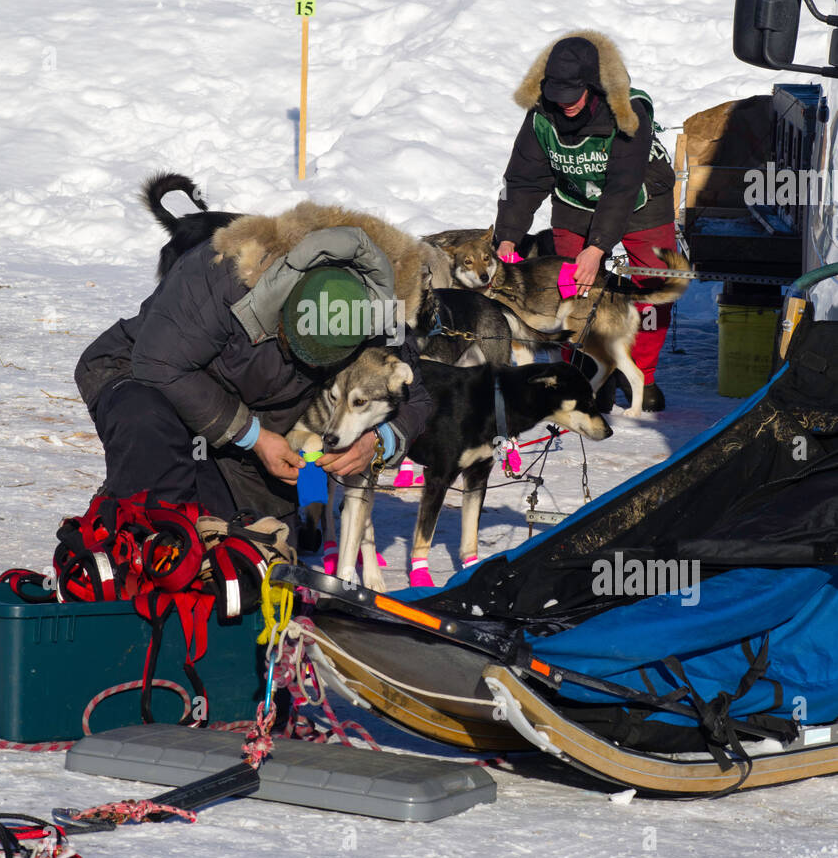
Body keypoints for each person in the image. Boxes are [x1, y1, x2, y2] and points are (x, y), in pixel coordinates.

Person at [74, 210, 432, 540]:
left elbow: (417, 397)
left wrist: (378, 441)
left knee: (249, 548)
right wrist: (255, 437)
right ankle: (132, 527)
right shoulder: (224, 272)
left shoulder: (376, 308)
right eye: (298, 348)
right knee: (151, 442)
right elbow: (158, 365)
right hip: (145, 377)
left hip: (255, 426)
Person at [493, 31, 677, 411]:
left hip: (640, 197)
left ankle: (641, 372)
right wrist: (508, 237)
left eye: (572, 95)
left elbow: (622, 186)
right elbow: (525, 179)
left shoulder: (628, 113)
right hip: (575, 198)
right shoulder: (542, 117)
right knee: (569, 287)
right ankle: (584, 373)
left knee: (655, 283)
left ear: (592, 86)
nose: (565, 104)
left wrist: (597, 249)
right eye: (557, 95)